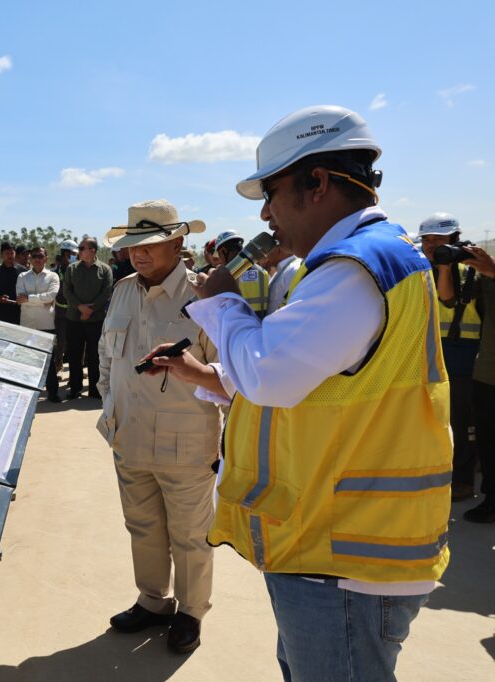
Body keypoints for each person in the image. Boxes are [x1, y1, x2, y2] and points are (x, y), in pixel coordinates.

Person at [150, 105, 451, 679]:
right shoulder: (377, 257)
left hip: (345, 556)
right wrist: (206, 376)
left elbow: (269, 374)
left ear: (316, 183)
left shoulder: (354, 268)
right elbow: (317, 388)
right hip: (337, 548)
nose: (265, 213)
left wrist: (220, 301)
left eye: (270, 193)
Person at [98, 199, 219, 654]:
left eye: (149, 245)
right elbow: (108, 360)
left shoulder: (203, 295)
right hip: (129, 437)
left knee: (190, 534)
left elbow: (228, 371)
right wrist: (109, 413)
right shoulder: (123, 289)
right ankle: (153, 601)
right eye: (132, 246)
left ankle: (191, 611)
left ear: (177, 242)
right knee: (143, 527)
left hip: (186, 443)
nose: (138, 254)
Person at [417, 213, 481, 502]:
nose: (431, 246)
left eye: (438, 240)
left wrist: (446, 266)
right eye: (427, 240)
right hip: (430, 350)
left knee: (461, 420)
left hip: (464, 353)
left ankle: (463, 482)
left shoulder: (471, 269)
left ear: (454, 239)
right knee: (432, 421)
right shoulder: (420, 269)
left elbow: (448, 299)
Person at [463, 244, 495, 522]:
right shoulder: (482, 275)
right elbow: (451, 301)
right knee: (487, 440)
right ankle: (491, 499)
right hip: (487, 371)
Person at [63, 236, 113, 399]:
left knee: (95, 355)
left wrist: (90, 310)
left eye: (82, 248)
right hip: (74, 319)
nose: (79, 251)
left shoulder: (105, 270)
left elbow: (106, 292)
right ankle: (75, 388)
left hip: (96, 320)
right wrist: (80, 307)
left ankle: (95, 389)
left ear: (92, 250)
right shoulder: (72, 269)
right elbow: (67, 291)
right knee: (74, 354)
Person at [16, 246, 62, 401]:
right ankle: (29, 393)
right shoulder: (22, 276)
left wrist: (29, 299)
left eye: (40, 256)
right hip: (27, 324)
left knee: (49, 362)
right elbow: (19, 297)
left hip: (47, 325)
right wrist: (41, 301)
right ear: (30, 258)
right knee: (28, 360)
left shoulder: (53, 276)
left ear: (46, 258)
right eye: (34, 256)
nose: (37, 259)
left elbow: (51, 296)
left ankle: (53, 393)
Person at [214, 230, 270, 318]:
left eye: (219, 254)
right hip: (261, 326)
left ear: (224, 251)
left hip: (237, 327)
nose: (219, 259)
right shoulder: (262, 272)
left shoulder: (225, 276)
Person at [51, 240, 78, 379]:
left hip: (75, 312)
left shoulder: (77, 270)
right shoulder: (54, 272)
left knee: (76, 342)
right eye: (73, 254)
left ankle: (76, 369)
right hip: (60, 312)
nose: (75, 256)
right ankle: (58, 366)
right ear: (66, 254)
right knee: (61, 341)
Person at [0, 241, 25, 325]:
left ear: (15, 254)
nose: (10, 256)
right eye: (7, 253)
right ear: (1, 255)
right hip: (0, 315)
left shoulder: (23, 271)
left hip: (19, 315)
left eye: (12, 253)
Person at [260, 243, 303, 315]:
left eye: (266, 251)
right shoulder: (283, 270)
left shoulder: (293, 269)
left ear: (279, 249)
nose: (265, 256)